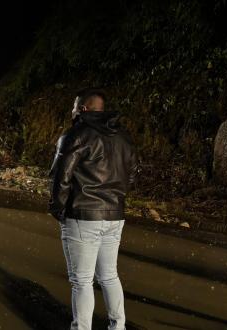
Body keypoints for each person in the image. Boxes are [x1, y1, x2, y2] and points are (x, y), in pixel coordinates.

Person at [49, 89, 138, 330]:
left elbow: (60, 177)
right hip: (114, 215)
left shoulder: (75, 135)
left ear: (84, 109)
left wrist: (58, 209)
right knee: (109, 276)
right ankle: (118, 326)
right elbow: (131, 177)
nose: (72, 111)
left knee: (82, 281)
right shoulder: (123, 136)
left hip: (82, 216)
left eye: (74, 107)